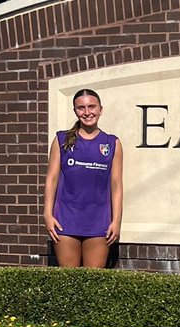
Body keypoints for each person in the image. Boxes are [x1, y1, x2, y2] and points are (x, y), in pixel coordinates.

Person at [43, 88, 123, 268]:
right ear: (75, 111)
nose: (87, 112)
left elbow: (116, 185)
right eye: (81, 108)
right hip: (65, 222)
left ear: (101, 109)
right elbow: (51, 179)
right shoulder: (61, 140)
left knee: (92, 283)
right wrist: (47, 214)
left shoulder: (112, 143)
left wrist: (116, 221)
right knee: (69, 283)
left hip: (99, 223)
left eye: (92, 107)